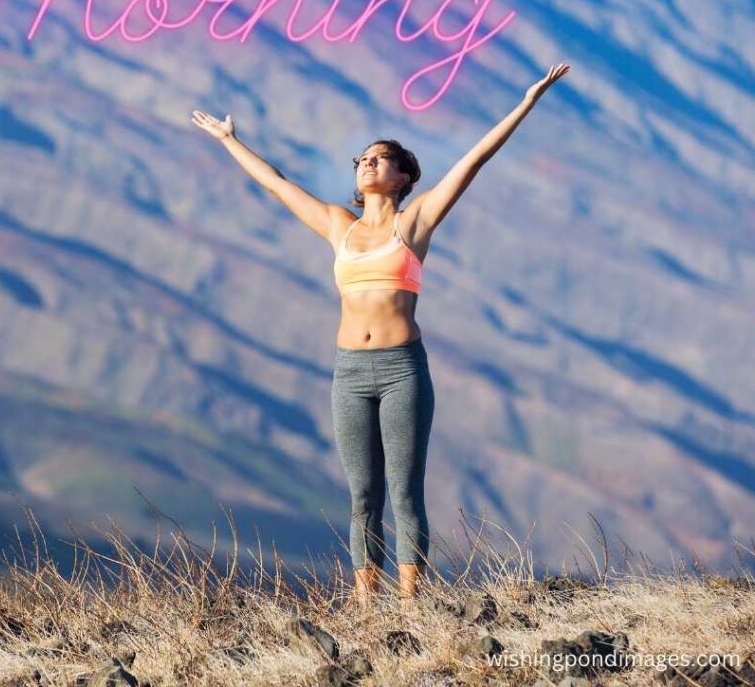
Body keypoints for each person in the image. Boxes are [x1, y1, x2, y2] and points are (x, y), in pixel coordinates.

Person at [191, 62, 571, 605]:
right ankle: (368, 605)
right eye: (361, 159)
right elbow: (274, 182)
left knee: (404, 492)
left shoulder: (413, 224)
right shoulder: (336, 225)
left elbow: (476, 158)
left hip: (401, 371)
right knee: (362, 496)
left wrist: (528, 99)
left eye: (378, 158)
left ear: (403, 177)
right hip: (349, 372)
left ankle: (412, 603)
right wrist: (231, 140)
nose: (366, 164)